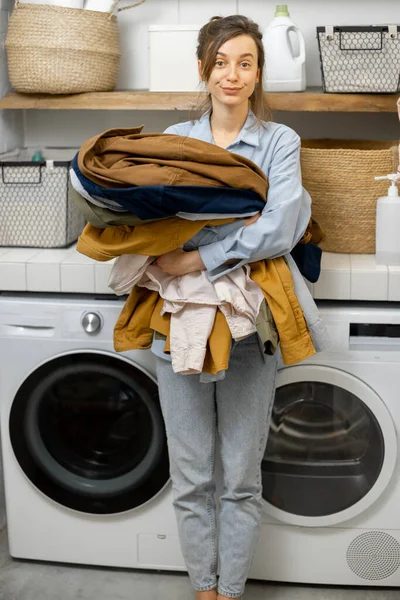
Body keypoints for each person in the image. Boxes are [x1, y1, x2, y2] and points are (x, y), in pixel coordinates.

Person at [155, 14, 311, 600]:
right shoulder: (176, 139)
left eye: (245, 62)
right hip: (178, 320)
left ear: (258, 72)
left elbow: (281, 228)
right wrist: (240, 219)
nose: (232, 74)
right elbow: (160, 227)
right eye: (221, 61)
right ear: (204, 67)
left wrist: (197, 256)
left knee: (240, 479)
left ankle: (232, 592)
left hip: (252, 325)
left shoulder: (280, 142)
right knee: (191, 475)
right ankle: (204, 590)